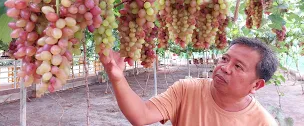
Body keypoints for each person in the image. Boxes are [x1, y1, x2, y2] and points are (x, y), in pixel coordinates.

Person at [99, 37, 279, 126]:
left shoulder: (263, 123)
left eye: (238, 66)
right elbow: (141, 115)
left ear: (256, 85)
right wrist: (117, 77)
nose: (225, 67)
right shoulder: (187, 89)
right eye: (224, 59)